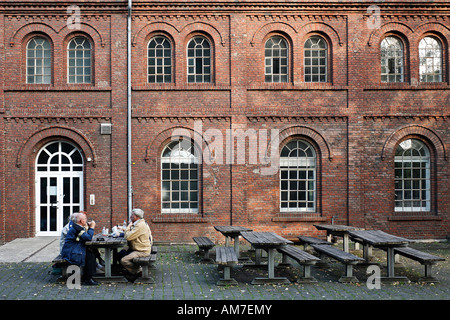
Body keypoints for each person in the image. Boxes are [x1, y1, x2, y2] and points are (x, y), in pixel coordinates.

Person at [60, 212, 99, 286]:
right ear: (81, 221)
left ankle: (88, 276)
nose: (87, 220)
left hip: (74, 249)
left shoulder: (77, 226)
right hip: (71, 252)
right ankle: (88, 279)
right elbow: (88, 238)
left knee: (91, 251)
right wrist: (92, 228)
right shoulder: (77, 228)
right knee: (90, 256)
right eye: (85, 219)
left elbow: (85, 237)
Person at [118, 208, 153, 282]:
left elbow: (128, 237)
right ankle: (126, 272)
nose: (131, 216)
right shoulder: (139, 223)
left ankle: (139, 271)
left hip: (141, 251)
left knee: (124, 260)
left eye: (132, 215)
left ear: (137, 216)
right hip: (137, 248)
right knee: (120, 254)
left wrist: (128, 226)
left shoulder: (140, 225)